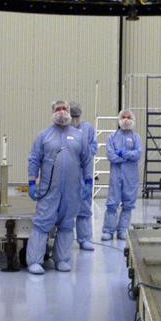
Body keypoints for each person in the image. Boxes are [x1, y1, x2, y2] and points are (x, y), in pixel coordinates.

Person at [27, 100, 91, 274]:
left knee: (66, 224)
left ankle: (61, 259)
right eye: (58, 109)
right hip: (49, 190)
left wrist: (89, 181)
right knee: (42, 223)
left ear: (70, 112)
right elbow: (34, 159)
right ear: (52, 111)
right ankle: (35, 261)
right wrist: (32, 182)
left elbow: (87, 160)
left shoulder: (79, 136)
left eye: (65, 109)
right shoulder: (44, 135)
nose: (62, 112)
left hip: (72, 191)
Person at [102, 109, 143, 241]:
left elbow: (138, 154)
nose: (126, 120)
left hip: (130, 176)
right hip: (116, 175)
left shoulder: (137, 137)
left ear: (133, 120)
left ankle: (122, 231)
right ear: (119, 120)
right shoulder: (112, 137)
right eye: (123, 117)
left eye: (128, 117)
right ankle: (108, 230)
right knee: (112, 203)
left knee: (128, 203)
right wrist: (125, 157)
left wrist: (123, 154)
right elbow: (110, 155)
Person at [69, 101, 98, 251]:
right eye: (72, 116)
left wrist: (84, 152)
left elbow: (94, 146)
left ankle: (84, 238)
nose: (74, 119)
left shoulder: (88, 128)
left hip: (83, 172)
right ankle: (64, 240)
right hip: (67, 174)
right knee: (65, 210)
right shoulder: (64, 129)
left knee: (84, 208)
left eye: (76, 116)